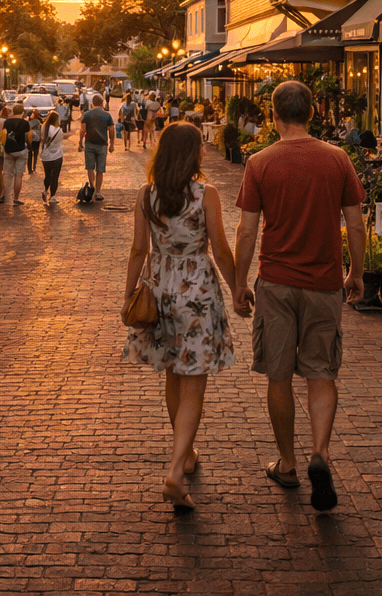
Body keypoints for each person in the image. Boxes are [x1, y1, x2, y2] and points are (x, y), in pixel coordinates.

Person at [232, 80, 364, 512]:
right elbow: (355, 223)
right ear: (313, 112)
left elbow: (248, 229)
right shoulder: (337, 158)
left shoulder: (260, 162)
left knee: (279, 374)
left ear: (273, 115)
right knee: (322, 372)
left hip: (277, 283)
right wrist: (356, 272)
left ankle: (287, 462)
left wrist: (239, 282)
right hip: (325, 283)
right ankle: (320, 454)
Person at [122, 121, 242, 513]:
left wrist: (128, 298)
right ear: (194, 154)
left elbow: (139, 251)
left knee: (175, 374)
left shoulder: (146, 195)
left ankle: (185, 452)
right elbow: (221, 250)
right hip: (198, 291)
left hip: (160, 285)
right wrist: (239, 287)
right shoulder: (205, 194)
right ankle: (175, 470)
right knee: (194, 382)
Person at [81, 94, 115, 202]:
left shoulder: (86, 114)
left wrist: (79, 142)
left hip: (89, 143)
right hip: (102, 145)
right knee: (100, 169)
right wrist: (112, 144)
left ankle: (92, 187)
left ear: (92, 103)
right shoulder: (107, 115)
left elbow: (83, 130)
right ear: (102, 103)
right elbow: (111, 130)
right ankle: (98, 192)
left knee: (90, 168)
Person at [0, 103, 31, 206]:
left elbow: (3, 134)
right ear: (22, 112)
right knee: (19, 175)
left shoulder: (7, 122)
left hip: (9, 150)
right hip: (21, 150)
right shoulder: (25, 123)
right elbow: (28, 136)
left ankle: (5, 196)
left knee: (7, 174)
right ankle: (16, 198)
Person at [38, 110, 64, 205]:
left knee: (47, 175)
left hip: (45, 155)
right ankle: (52, 196)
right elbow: (59, 142)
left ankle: (45, 190)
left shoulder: (43, 128)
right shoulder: (59, 130)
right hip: (57, 155)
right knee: (55, 176)